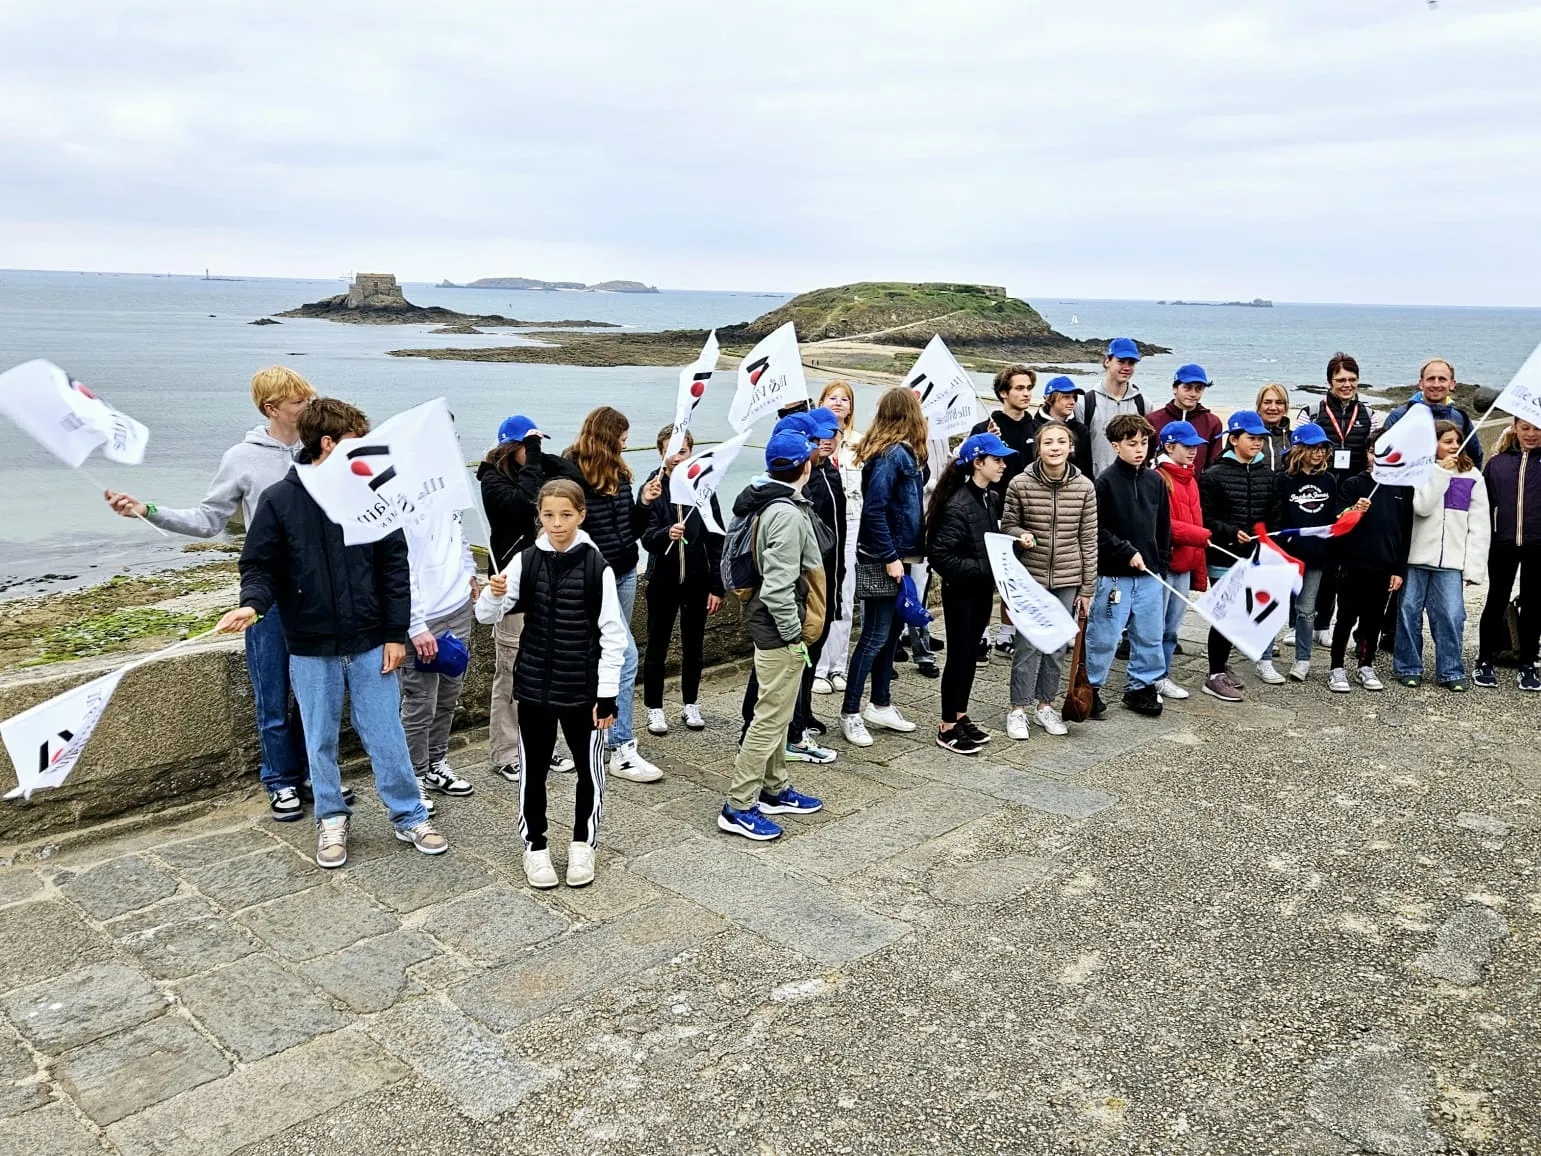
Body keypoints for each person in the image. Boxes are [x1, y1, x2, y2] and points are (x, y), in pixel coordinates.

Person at [215, 397, 447, 868]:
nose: (363, 453)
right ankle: (331, 819)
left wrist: (395, 634)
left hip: (369, 642)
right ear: (327, 444)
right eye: (353, 443)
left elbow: (393, 567)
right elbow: (259, 566)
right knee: (318, 737)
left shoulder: (370, 493)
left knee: (385, 733)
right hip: (310, 644)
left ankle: (409, 815)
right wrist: (251, 604)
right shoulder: (280, 500)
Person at [105, 366, 317, 821]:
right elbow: (208, 520)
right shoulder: (242, 457)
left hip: (318, 594)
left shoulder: (323, 448)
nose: (308, 407)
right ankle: (281, 781)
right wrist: (148, 510)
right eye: (300, 401)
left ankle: (313, 774)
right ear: (272, 408)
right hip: (269, 596)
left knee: (314, 693)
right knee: (273, 693)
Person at [474, 479, 627, 888]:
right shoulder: (526, 560)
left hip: (583, 691)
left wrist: (607, 696)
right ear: (539, 516)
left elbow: (613, 636)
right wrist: (493, 593)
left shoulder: (598, 567)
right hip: (535, 687)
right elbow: (487, 614)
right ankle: (535, 847)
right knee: (533, 771)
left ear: (581, 515)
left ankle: (583, 845)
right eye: (548, 515)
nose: (556, 523)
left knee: (589, 772)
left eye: (565, 515)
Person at [718, 430, 828, 841]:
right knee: (769, 718)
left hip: (770, 624)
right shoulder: (785, 513)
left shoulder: (767, 499)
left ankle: (775, 788)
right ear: (805, 466)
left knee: (777, 713)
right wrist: (793, 634)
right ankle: (739, 805)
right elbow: (779, 587)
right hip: (778, 628)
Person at [478, 415, 583, 783]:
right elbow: (522, 503)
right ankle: (506, 751)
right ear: (511, 448)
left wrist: (540, 451)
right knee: (510, 673)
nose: (534, 453)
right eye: (527, 446)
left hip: (546, 587)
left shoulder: (537, 471)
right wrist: (533, 457)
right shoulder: (491, 480)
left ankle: (541, 744)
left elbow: (574, 476)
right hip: (512, 592)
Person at [737, 408, 842, 763]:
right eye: (814, 439)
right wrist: (794, 631)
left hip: (811, 590)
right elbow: (780, 581)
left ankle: (794, 729)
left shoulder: (822, 475)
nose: (823, 443)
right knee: (772, 696)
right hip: (793, 603)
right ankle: (772, 751)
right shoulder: (788, 501)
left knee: (781, 682)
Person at [564, 406, 663, 783]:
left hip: (624, 570)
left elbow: (631, 528)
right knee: (624, 655)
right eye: (622, 436)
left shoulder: (620, 472)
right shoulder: (572, 471)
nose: (627, 442)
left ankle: (600, 736)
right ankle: (621, 747)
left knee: (607, 656)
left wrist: (644, 503)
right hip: (596, 577)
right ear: (608, 436)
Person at [839, 388, 927, 746]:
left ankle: (881, 702)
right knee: (874, 636)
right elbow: (874, 510)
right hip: (884, 556)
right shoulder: (891, 456)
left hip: (899, 554)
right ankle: (850, 712)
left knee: (890, 634)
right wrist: (890, 557)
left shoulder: (899, 453)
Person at [999, 421, 1097, 739]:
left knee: (1056, 645)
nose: (1054, 447)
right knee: (1027, 645)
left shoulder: (1084, 487)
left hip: (1069, 575)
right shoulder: (1020, 483)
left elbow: (1088, 538)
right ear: (1037, 448)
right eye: (1047, 442)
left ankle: (1045, 705)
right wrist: (1021, 534)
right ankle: (1018, 709)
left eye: (1061, 441)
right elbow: (1008, 524)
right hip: (1031, 577)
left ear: (1071, 447)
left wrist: (1087, 588)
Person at [927, 433, 1015, 754]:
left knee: (971, 655)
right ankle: (947, 725)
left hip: (980, 592)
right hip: (961, 592)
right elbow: (940, 555)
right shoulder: (958, 504)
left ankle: (960, 715)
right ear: (978, 463)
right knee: (959, 656)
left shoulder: (989, 497)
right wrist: (983, 568)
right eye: (997, 460)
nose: (1003, 465)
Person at [1083, 413, 1170, 717]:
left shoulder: (1155, 481)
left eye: (1144, 443)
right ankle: (1090, 686)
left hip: (1148, 575)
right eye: (1132, 444)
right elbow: (1097, 528)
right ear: (1115, 445)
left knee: (1149, 633)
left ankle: (1141, 686)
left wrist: (1161, 562)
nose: (1139, 449)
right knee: (1104, 633)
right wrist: (1125, 551)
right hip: (1114, 576)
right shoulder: (1104, 482)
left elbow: (1163, 526)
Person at [640, 426, 724, 737]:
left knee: (694, 645)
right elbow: (645, 537)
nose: (676, 457)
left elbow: (717, 537)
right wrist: (666, 533)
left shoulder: (704, 487)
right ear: (661, 452)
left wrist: (717, 585)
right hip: (662, 580)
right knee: (657, 646)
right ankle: (654, 708)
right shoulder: (653, 487)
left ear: (692, 452)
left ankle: (691, 703)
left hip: (697, 580)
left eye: (683, 451)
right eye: (670, 451)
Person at [1394, 421, 1490, 690]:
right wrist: (1440, 473)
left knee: (1451, 614)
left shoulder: (1472, 476)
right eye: (1447, 441)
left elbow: (1480, 526)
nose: (1454, 447)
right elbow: (1422, 508)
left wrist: (1474, 568)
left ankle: (1450, 669)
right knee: (1408, 612)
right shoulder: (1417, 472)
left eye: (1456, 441)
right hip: (1416, 557)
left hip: (1450, 562)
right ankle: (1408, 666)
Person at [1198, 411, 1285, 700]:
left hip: (1256, 555)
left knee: (1244, 614)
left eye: (1261, 438)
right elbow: (1206, 518)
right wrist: (1230, 531)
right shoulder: (1213, 474)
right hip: (1224, 555)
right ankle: (1213, 674)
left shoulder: (1267, 474)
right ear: (1233, 439)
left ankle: (1222, 666)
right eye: (1251, 438)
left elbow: (1275, 512)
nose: (1257, 443)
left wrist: (1267, 534)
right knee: (1225, 616)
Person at [399, 499, 478, 806]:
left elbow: (459, 536)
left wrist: (469, 572)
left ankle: (436, 764)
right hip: (424, 615)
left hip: (456, 607)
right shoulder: (400, 495)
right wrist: (416, 625)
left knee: (448, 695)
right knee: (420, 701)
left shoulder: (445, 484)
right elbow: (399, 564)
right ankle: (414, 777)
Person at [1327, 444, 1412, 693]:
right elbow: (1337, 521)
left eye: (1386, 452)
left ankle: (1366, 665)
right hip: (1353, 564)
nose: (1379, 458)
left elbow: (1405, 532)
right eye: (1375, 452)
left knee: (1373, 619)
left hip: (1385, 565)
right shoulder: (1353, 484)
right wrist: (1354, 511)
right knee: (1345, 617)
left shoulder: (1403, 488)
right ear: (1368, 454)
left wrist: (1399, 569)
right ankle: (1336, 667)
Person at [1312, 352, 1377, 647]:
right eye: (1341, 380)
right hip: (1319, 495)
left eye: (1352, 379)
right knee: (1318, 562)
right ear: (1329, 381)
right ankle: (1308, 621)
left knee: (1344, 564)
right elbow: (1301, 450)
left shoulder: (1369, 414)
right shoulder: (1313, 411)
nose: (1347, 385)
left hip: (1353, 498)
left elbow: (1377, 454)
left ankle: (1333, 624)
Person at [1270, 423, 1340, 682]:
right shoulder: (1283, 480)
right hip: (1287, 554)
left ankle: (1303, 659)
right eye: (1313, 448)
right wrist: (1281, 545)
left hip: (1316, 556)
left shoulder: (1329, 480)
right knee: (1274, 606)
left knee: (1306, 609)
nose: (1320, 453)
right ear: (1299, 450)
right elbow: (1276, 517)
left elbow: (1332, 517)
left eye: (1323, 448)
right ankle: (1265, 657)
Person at [1474, 418, 1541, 690]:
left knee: (1535, 604)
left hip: (1538, 544)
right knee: (1496, 599)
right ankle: (1484, 659)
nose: (1531, 434)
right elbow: (1481, 507)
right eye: (1525, 427)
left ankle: (1527, 663)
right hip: (1501, 543)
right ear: (1514, 427)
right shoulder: (1498, 463)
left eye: (1537, 428)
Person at [1152, 421, 1212, 701]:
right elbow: (1162, 524)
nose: (1193, 452)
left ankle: (1162, 675)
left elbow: (1196, 518)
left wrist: (1199, 567)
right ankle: (1149, 677)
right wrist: (1199, 536)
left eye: (1195, 447)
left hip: (1185, 562)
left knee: (1172, 627)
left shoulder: (1190, 479)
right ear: (1169, 446)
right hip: (1165, 563)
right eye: (1187, 447)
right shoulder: (1158, 478)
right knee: (1155, 626)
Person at [813, 381, 863, 695]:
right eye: (833, 397)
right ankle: (818, 668)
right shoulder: (814, 440)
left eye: (845, 399)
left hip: (852, 522)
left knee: (845, 597)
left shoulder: (859, 443)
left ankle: (837, 666)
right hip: (820, 522)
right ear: (821, 401)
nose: (839, 403)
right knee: (820, 595)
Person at [1384, 359, 1484, 467]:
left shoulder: (1460, 418)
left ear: (1452, 384)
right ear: (1421, 383)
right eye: (1431, 379)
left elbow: (1475, 457)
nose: (1436, 384)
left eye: (1442, 379)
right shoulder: (1400, 417)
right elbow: (1385, 457)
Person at [1075, 338, 1148, 478]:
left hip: (1132, 485)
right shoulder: (1085, 403)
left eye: (1131, 363)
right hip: (1095, 484)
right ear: (1107, 361)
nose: (1126, 367)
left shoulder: (1143, 403)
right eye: (1121, 361)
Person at [1146, 364, 1223, 475]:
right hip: (1159, 488)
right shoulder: (1153, 420)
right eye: (1187, 388)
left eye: (1199, 389)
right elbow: (1144, 460)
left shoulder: (1212, 423)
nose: (1193, 394)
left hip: (1195, 489)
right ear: (1175, 388)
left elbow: (1213, 465)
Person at [971, 365, 1040, 483]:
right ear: (1003, 393)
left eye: (1029, 388)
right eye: (1019, 388)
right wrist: (987, 444)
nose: (1026, 393)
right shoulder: (982, 430)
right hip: (995, 498)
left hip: (1031, 498)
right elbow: (969, 469)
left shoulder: (1040, 430)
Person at [1037, 377, 1093, 476]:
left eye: (1074, 397)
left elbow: (1087, 468)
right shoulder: (1033, 428)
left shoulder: (1081, 430)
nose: (1072, 402)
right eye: (1066, 397)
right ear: (1049, 399)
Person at [1255, 383, 1293, 471]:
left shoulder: (1293, 439)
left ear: (1285, 408)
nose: (1273, 407)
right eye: (1267, 402)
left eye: (1279, 403)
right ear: (1259, 406)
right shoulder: (1246, 437)